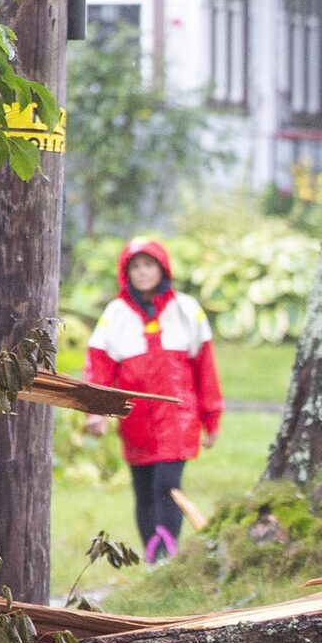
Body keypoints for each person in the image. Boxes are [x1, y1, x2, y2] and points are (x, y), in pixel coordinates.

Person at [83, 238, 221, 564]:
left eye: (149, 265)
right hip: (137, 421)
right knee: (143, 490)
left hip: (178, 419)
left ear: (162, 268)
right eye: (136, 267)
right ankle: (152, 560)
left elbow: (206, 370)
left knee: (167, 485)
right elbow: (99, 367)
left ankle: (166, 556)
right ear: (126, 273)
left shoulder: (186, 310)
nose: (143, 273)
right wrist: (96, 411)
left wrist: (211, 418)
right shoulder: (115, 315)